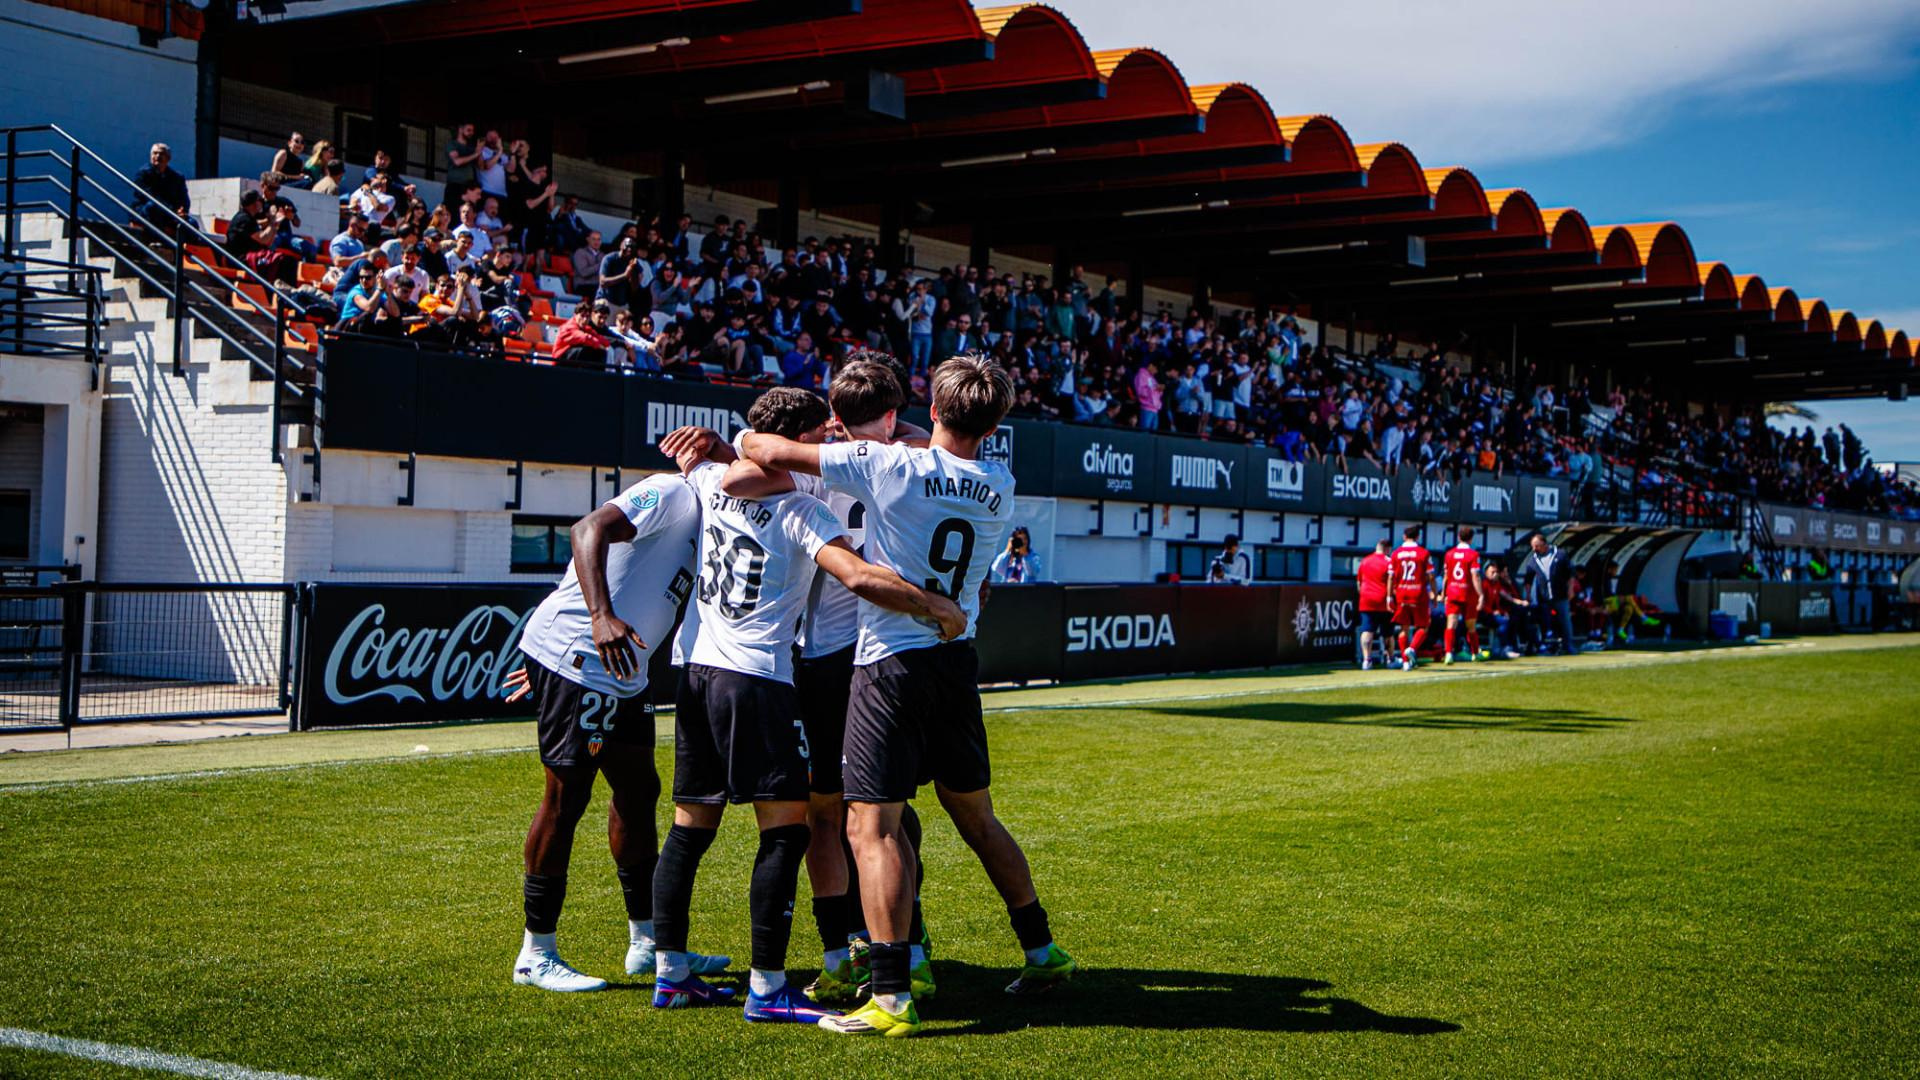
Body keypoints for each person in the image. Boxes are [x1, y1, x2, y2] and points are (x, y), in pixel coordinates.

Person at [740, 356, 1077, 1038]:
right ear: (994, 421)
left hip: (891, 663)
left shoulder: (887, 466)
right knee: (978, 820)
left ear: (933, 407)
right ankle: (1043, 950)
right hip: (958, 663)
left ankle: (891, 995)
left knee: (872, 828)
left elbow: (764, 448)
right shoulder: (1000, 483)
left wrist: (802, 438)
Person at [648, 389, 964, 1025]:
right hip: (762, 678)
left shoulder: (713, 485)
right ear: (797, 444)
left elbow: (718, 464)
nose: (829, 439)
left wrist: (711, 447)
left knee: (689, 829)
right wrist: (937, 606)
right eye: (818, 433)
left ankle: (671, 972)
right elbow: (858, 576)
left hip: (696, 672)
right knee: (793, 830)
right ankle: (769, 988)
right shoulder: (802, 508)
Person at [497, 471, 728, 993]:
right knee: (566, 796)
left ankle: (646, 942)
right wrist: (597, 619)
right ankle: (536, 952)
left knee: (639, 790)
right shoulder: (674, 492)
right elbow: (587, 529)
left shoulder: (724, 514)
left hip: (624, 670)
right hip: (585, 656)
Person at [1521, 533, 1578, 656]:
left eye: (1536, 546)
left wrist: (1570, 589)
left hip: (1560, 594)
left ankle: (1569, 645)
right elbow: (1528, 579)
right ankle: (1547, 645)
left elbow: (1570, 573)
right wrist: (1528, 594)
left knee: (1565, 620)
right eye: (1533, 546)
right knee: (1545, 622)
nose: (1534, 549)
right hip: (1544, 597)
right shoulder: (1533, 560)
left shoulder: (1560, 554)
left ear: (1544, 543)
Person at [1389, 525, 1436, 670]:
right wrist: (1434, 593)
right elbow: (1431, 575)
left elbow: (1391, 577)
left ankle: (1405, 662)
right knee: (1424, 626)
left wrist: (1389, 596)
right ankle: (1412, 649)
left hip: (1401, 593)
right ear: (1418, 537)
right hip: (1418, 592)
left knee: (1404, 628)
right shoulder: (1423, 553)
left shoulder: (1396, 553)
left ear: (1404, 537)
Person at [1441, 525, 1488, 664]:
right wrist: (1481, 595)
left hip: (1453, 592)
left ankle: (1448, 653)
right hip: (1468, 593)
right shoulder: (1473, 554)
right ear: (1471, 539)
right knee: (1471, 625)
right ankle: (1475, 653)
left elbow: (1446, 576)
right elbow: (1475, 576)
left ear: (1458, 537)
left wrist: (1443, 594)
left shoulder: (1449, 554)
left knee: (1451, 624)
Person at [132, 142, 191, 236]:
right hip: (147, 211)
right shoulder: (143, 174)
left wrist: (182, 211)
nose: (157, 156)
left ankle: (182, 249)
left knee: (192, 223)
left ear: (168, 158)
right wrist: (173, 211)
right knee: (152, 207)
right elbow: (150, 196)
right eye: (155, 153)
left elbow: (184, 198)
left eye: (161, 154)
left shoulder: (176, 177)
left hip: (170, 213)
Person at [1355, 538, 1392, 670]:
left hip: (1366, 600)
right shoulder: (1389, 562)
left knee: (1367, 630)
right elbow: (1391, 582)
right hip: (1383, 601)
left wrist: (1364, 595)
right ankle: (1389, 659)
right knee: (1387, 632)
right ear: (1388, 548)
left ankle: (1367, 660)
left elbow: (1359, 582)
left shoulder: (1364, 561)